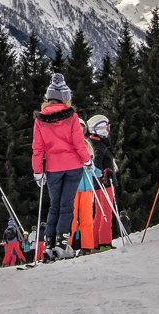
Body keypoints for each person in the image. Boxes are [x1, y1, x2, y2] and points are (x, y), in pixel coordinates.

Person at [31, 72, 90, 259]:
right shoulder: (71, 117)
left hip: (53, 168)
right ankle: (62, 246)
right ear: (66, 98)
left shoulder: (39, 119)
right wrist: (87, 160)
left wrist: (37, 171)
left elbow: (37, 149)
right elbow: (79, 143)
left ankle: (48, 246)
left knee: (54, 207)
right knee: (66, 207)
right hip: (73, 166)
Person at [86, 114, 117, 249]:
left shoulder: (96, 142)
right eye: (105, 127)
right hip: (105, 183)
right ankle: (104, 242)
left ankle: (95, 242)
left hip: (100, 183)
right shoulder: (99, 145)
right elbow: (95, 164)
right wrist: (103, 174)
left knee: (100, 213)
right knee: (106, 212)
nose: (108, 130)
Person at [68, 121, 97, 255]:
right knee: (71, 219)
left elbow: (92, 165)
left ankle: (87, 246)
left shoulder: (86, 144)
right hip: (73, 188)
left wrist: (97, 171)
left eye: (81, 129)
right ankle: (67, 245)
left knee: (86, 219)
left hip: (87, 189)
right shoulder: (68, 144)